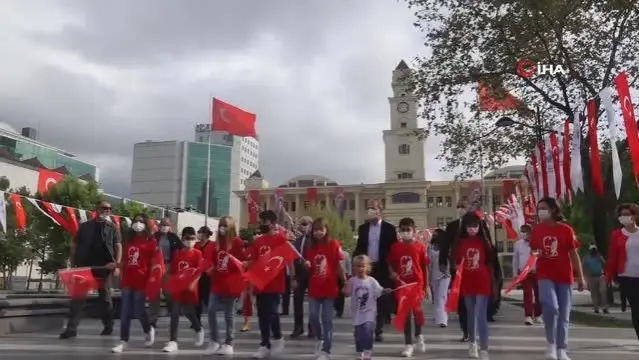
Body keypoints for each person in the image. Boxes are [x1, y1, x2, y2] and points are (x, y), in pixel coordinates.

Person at [529, 197, 586, 360]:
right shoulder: (537, 230)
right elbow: (534, 252)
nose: (541, 211)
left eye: (544, 208)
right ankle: (551, 343)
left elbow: (573, 254)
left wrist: (581, 277)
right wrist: (533, 258)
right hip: (544, 274)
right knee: (551, 306)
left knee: (564, 314)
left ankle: (561, 348)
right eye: (539, 208)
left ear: (554, 209)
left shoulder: (566, 230)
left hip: (564, 276)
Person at [60, 201, 120, 339]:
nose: (107, 211)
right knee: (78, 298)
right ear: (97, 209)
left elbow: (118, 246)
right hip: (84, 266)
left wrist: (116, 264)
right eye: (104, 208)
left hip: (104, 267)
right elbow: (75, 244)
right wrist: (73, 262)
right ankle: (71, 329)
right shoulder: (85, 226)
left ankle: (108, 325)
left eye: (110, 209)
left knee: (105, 298)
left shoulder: (112, 228)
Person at [452, 211, 497, 360]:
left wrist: (493, 284)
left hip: (482, 281)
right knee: (471, 313)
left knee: (481, 314)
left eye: (475, 226)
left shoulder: (484, 242)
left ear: (479, 226)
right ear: (464, 227)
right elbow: (456, 262)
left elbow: (490, 262)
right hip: (466, 281)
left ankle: (484, 348)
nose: (472, 229)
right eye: (469, 226)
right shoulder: (460, 243)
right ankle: (472, 342)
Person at [111, 214, 157, 353]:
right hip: (128, 282)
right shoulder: (129, 241)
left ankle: (148, 328)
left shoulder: (151, 242)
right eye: (135, 221)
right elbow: (126, 261)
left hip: (141, 282)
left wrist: (153, 280)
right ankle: (123, 341)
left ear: (146, 225)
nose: (137, 224)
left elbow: (155, 264)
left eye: (141, 222)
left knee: (138, 310)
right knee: (124, 312)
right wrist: (116, 265)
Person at [302, 217, 346, 360]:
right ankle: (319, 339)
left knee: (327, 319)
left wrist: (345, 282)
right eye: (316, 230)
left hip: (329, 288)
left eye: (321, 229)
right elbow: (308, 266)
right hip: (315, 288)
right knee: (313, 316)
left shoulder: (333, 244)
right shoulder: (310, 247)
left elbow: (339, 265)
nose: (318, 232)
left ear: (326, 230)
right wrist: (306, 265)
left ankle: (326, 350)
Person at [247, 210, 288, 359]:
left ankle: (277, 337)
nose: (261, 224)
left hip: (275, 283)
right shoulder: (258, 241)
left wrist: (295, 277)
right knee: (262, 315)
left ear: (272, 223)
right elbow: (254, 262)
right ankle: (264, 344)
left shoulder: (281, 239)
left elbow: (287, 260)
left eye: (264, 221)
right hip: (260, 283)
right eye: (261, 221)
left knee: (272, 312)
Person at [353, 204, 397, 342]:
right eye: (369, 209)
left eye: (373, 210)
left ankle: (379, 329)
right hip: (367, 268)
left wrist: (393, 269)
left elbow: (393, 250)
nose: (370, 212)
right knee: (368, 297)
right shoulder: (363, 228)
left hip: (383, 267)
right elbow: (359, 248)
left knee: (383, 298)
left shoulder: (389, 229)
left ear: (380, 212)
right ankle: (366, 326)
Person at [388, 217, 428, 357]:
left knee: (416, 312)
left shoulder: (420, 247)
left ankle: (419, 334)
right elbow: (390, 263)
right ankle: (408, 344)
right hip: (402, 285)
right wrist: (392, 272)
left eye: (408, 230)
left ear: (414, 230)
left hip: (417, 284)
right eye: (403, 230)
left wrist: (426, 287)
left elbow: (424, 267)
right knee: (406, 314)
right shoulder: (396, 247)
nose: (405, 232)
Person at [206, 216, 246, 355]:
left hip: (231, 282)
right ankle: (214, 340)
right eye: (220, 225)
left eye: (225, 225)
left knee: (229, 314)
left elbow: (243, 262)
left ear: (231, 227)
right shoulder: (216, 243)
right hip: (217, 281)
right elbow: (211, 261)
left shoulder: (237, 242)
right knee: (211, 310)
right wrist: (210, 267)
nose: (222, 228)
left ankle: (229, 342)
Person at [162, 227, 205, 353]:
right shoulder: (178, 253)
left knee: (189, 311)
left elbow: (199, 271)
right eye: (187, 238)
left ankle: (198, 328)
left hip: (190, 287)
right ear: (182, 239)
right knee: (174, 312)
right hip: (178, 287)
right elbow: (172, 271)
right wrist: (166, 281)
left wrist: (193, 283)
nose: (190, 241)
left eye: (192, 238)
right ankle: (173, 341)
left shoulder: (197, 253)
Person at [344, 255, 391, 360]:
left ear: (367, 268)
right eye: (358, 266)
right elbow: (347, 294)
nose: (361, 269)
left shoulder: (371, 281)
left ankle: (368, 351)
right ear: (354, 267)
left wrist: (385, 291)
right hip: (357, 313)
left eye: (363, 266)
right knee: (358, 334)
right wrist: (345, 288)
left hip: (369, 311)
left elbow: (379, 290)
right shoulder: (352, 281)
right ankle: (359, 351)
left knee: (368, 330)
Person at [605, 203, 639, 339]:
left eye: (626, 214)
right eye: (621, 215)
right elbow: (612, 257)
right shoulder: (617, 235)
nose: (623, 217)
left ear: (634, 215)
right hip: (627, 277)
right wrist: (608, 276)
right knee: (636, 308)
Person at [439, 200, 471, 341]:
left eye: (462, 206)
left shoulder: (477, 225)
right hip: (457, 268)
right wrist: (442, 262)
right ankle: (466, 331)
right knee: (462, 301)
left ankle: (473, 327)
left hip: (474, 268)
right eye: (458, 206)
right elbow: (445, 245)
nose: (460, 209)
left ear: (468, 208)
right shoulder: (452, 226)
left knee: (474, 301)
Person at [148, 217, 184, 330]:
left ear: (170, 226)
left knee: (168, 293)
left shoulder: (174, 238)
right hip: (156, 267)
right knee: (154, 294)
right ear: (159, 226)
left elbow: (180, 251)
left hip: (168, 267)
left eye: (166, 225)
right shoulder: (154, 237)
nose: (164, 227)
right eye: (162, 224)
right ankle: (152, 319)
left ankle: (173, 313)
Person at [512, 224, 542, 325]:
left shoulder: (537, 243)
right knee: (527, 294)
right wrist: (515, 274)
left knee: (539, 295)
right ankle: (528, 315)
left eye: (525, 231)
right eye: (522, 231)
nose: (523, 233)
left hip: (537, 272)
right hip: (524, 273)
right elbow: (515, 260)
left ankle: (538, 315)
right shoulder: (518, 244)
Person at [290, 216, 313, 339]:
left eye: (305, 224)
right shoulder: (297, 241)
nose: (303, 226)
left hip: (311, 274)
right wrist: (293, 277)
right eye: (301, 224)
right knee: (297, 301)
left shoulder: (315, 240)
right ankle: (298, 327)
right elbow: (293, 259)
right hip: (299, 274)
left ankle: (312, 328)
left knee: (313, 302)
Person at [428, 229, 450, 327]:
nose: (435, 236)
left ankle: (443, 320)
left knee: (442, 296)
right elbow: (429, 263)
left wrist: (448, 271)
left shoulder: (446, 247)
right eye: (434, 235)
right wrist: (428, 276)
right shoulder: (430, 247)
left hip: (445, 274)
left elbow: (450, 260)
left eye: (437, 235)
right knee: (436, 297)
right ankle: (438, 317)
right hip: (434, 275)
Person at [195, 226, 214, 323]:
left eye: (200, 232)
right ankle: (196, 320)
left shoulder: (212, 245)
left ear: (205, 234)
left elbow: (214, 259)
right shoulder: (196, 245)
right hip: (198, 274)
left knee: (207, 298)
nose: (198, 234)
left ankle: (211, 319)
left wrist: (211, 269)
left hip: (207, 274)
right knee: (197, 298)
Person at [583, 244, 609, 314]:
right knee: (594, 293)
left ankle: (605, 308)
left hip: (600, 276)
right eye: (592, 250)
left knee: (603, 291)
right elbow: (584, 267)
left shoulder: (599, 256)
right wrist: (586, 278)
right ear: (589, 251)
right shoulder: (586, 258)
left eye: (594, 250)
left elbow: (605, 264)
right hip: (591, 277)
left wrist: (606, 273)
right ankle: (596, 308)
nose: (593, 251)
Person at [335, 247, 351, 318]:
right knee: (335, 292)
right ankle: (336, 306)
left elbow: (348, 264)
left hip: (344, 274)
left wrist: (349, 274)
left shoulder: (345, 254)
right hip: (334, 275)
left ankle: (340, 309)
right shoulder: (333, 253)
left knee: (341, 292)